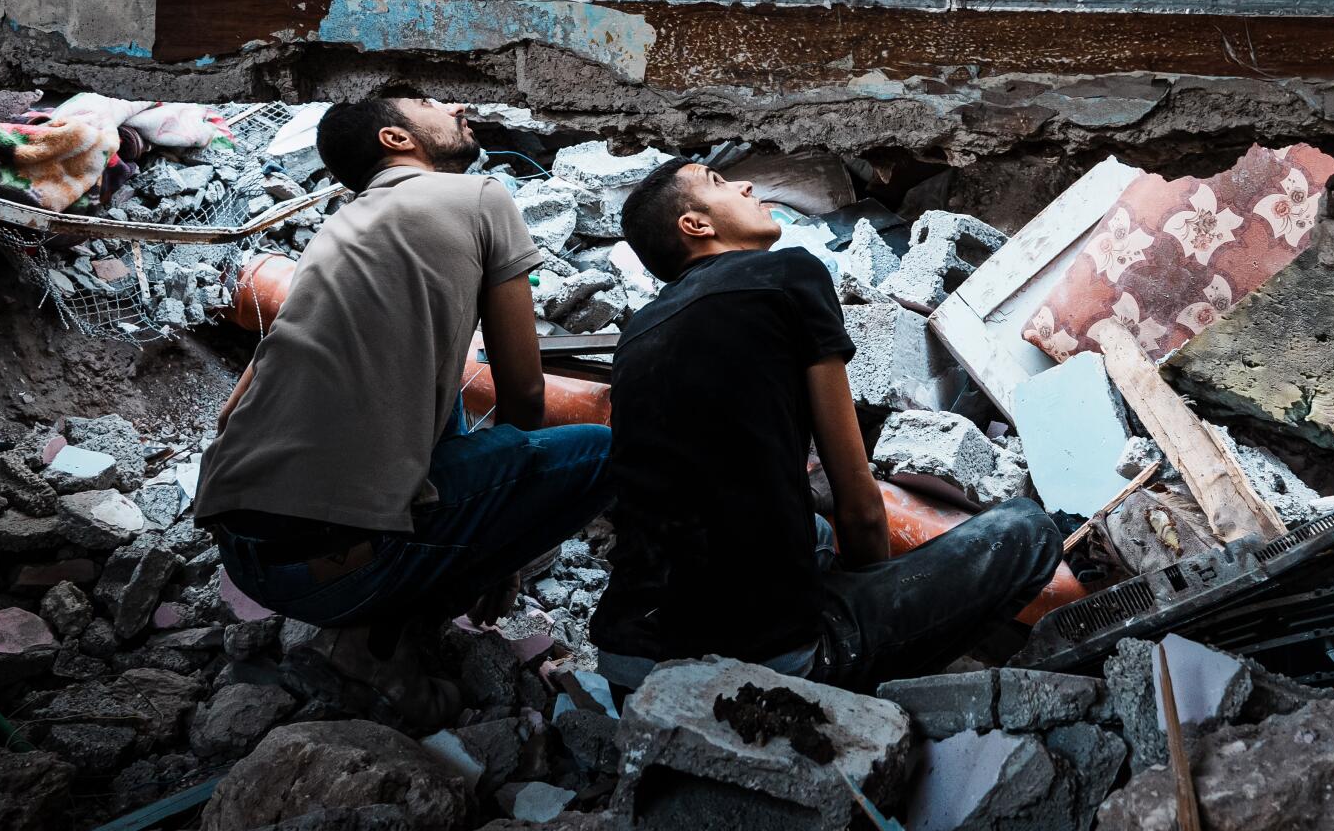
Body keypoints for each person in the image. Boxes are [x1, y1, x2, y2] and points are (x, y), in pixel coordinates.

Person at [591, 159, 1061, 692]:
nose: (747, 184)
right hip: (759, 667)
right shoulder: (788, 273)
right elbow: (857, 500)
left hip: (628, 658)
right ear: (695, 225)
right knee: (1027, 531)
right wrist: (875, 600)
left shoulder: (637, 332)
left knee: (814, 534)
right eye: (718, 184)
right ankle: (855, 684)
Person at [195, 97, 612, 657]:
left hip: (244, 556)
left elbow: (229, 414)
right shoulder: (480, 196)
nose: (456, 105)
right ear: (396, 138)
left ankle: (377, 619)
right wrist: (505, 550)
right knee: (606, 451)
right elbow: (525, 394)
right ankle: (389, 640)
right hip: (347, 571)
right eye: (427, 103)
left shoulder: (335, 232)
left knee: (447, 406)